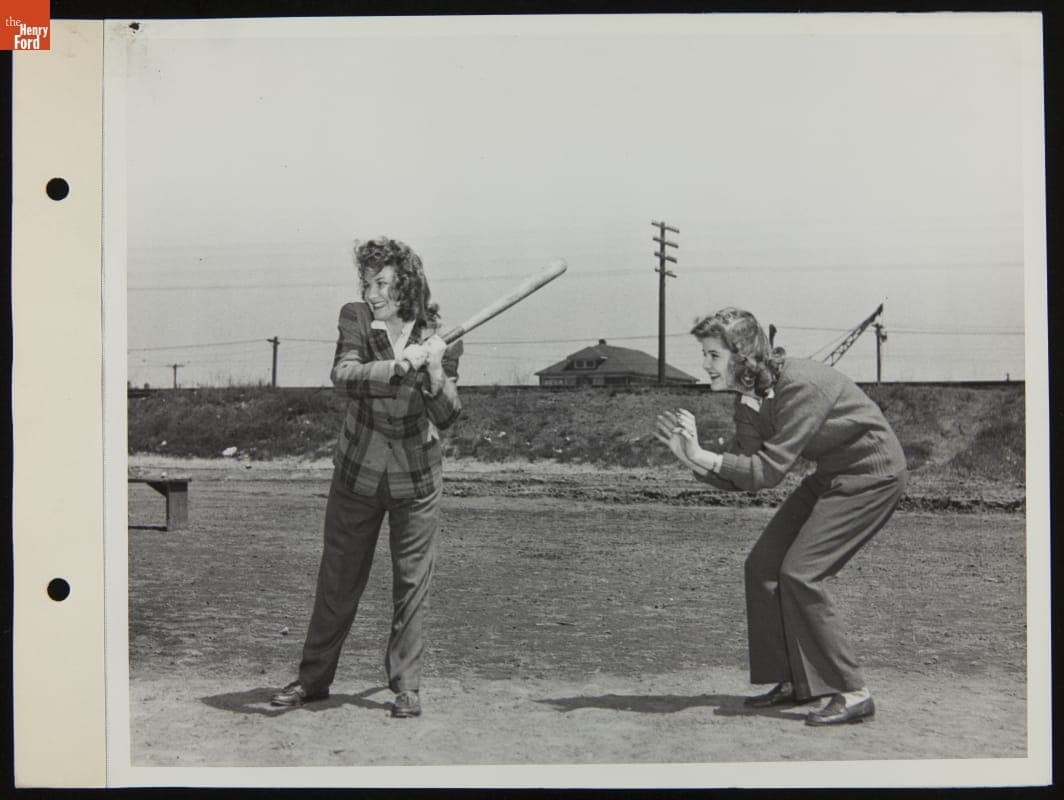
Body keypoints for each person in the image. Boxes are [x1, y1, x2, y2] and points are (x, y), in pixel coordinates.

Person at [654, 307, 907, 726]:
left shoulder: (800, 386)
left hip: (873, 475)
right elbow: (744, 473)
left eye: (713, 355)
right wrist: (692, 460)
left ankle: (852, 691)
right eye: (705, 354)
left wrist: (702, 454)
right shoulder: (749, 400)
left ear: (743, 356)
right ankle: (795, 680)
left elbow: (768, 473)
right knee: (763, 567)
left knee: (800, 573)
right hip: (832, 474)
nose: (704, 364)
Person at [272, 237, 462, 718]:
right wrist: (396, 366)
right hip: (357, 473)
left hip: (416, 480)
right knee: (337, 580)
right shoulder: (356, 317)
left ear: (408, 285)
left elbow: (448, 415)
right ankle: (313, 681)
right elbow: (344, 374)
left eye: (382, 283)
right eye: (367, 282)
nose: (371, 292)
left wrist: (435, 370)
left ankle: (407, 686)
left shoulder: (443, 336)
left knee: (411, 584)